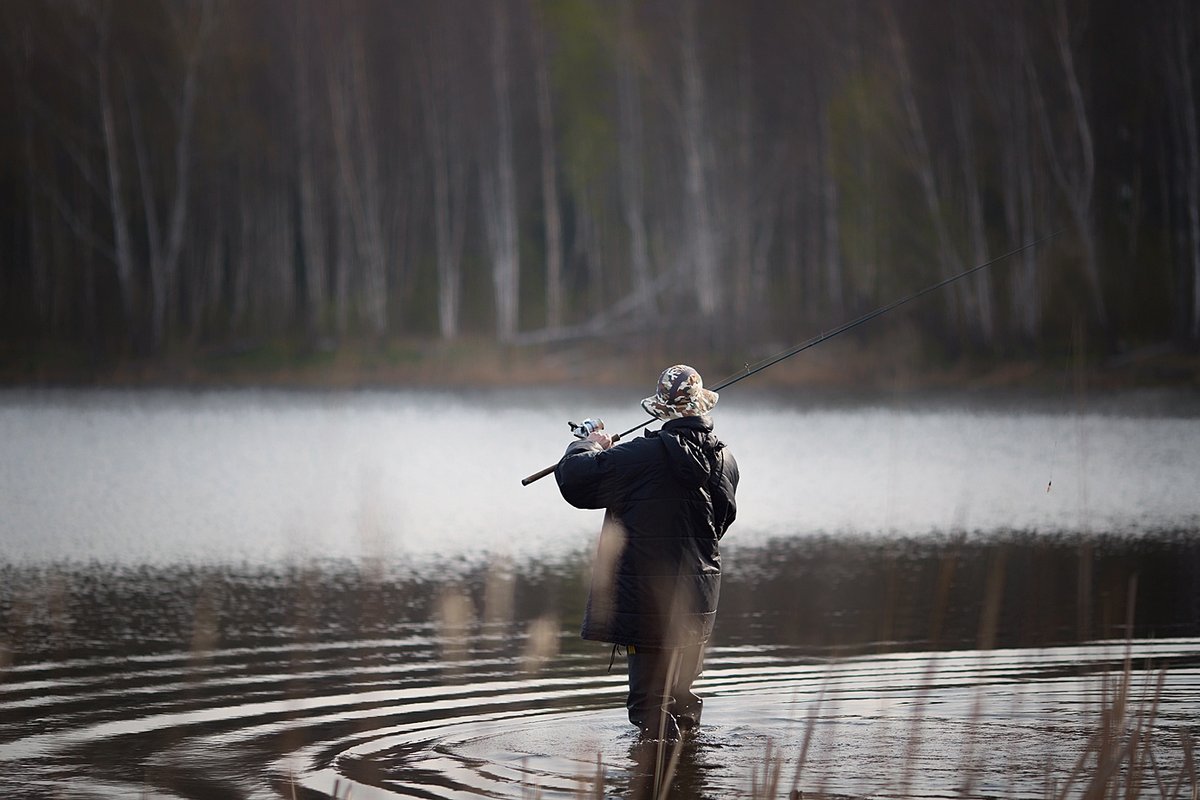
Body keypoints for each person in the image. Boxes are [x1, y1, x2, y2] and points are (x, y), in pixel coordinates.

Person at [555, 364, 739, 741]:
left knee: (647, 705)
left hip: (647, 603)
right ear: (702, 407)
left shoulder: (639, 457)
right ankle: (688, 772)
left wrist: (589, 444)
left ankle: (659, 776)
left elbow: (575, 479)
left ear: (661, 410)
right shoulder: (725, 461)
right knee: (681, 698)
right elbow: (718, 525)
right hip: (699, 602)